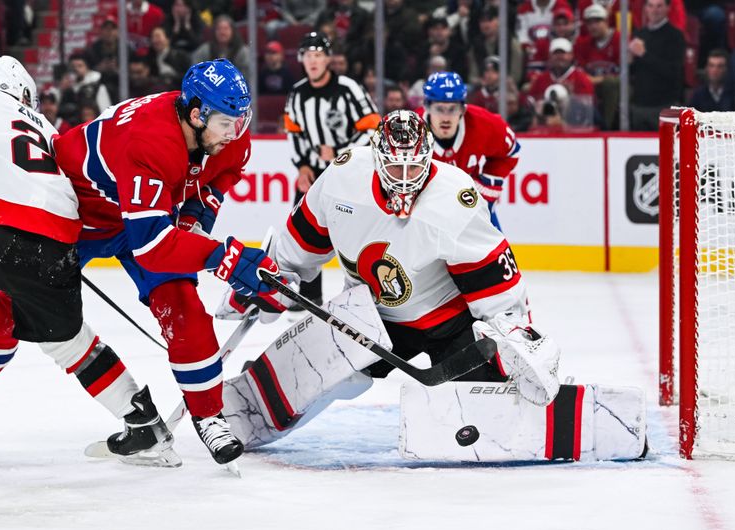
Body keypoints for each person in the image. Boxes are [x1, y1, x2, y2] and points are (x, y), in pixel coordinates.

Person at [0, 59, 281, 466]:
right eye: (227, 122)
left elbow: (217, 181)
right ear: (196, 115)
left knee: (183, 308)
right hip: (79, 214)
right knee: (14, 305)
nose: (236, 132)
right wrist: (223, 257)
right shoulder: (150, 139)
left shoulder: (229, 137)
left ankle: (209, 415)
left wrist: (196, 220)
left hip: (143, 215)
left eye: (241, 120)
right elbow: (154, 248)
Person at [217, 111, 564, 453]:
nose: (404, 179)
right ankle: (250, 407)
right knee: (315, 375)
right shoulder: (342, 179)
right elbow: (299, 245)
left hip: (451, 322)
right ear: (376, 158)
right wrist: (269, 280)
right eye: (395, 168)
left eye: (413, 167)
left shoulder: (455, 197)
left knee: (487, 407)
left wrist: (513, 335)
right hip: (369, 315)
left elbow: (495, 283)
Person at [0, 56, 174, 463]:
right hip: (55, 239)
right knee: (67, 342)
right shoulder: (50, 132)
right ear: (27, 94)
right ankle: (143, 422)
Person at [284, 31, 379, 309]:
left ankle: (363, 297)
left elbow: (373, 126)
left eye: (318, 55)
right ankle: (308, 296)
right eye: (308, 56)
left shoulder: (348, 88)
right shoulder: (298, 94)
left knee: (358, 235)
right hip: (315, 175)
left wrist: (340, 153)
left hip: (352, 173)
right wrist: (302, 166)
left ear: (328, 59)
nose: (313, 61)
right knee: (304, 235)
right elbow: (294, 134)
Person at [416, 71, 519, 231]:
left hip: (471, 205)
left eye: (452, 109)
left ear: (463, 109)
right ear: (427, 107)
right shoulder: (410, 131)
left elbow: (511, 151)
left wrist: (488, 183)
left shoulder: (483, 124)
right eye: (439, 109)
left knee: (496, 254)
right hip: (423, 212)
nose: (445, 117)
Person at [629, 0, 685, 131]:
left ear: (668, 8)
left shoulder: (675, 36)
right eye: (651, 6)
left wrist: (644, 54)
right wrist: (629, 61)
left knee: (668, 149)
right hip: (640, 105)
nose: (655, 10)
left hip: (664, 105)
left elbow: (673, 72)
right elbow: (634, 71)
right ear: (645, 9)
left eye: (659, 6)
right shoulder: (639, 34)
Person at [687, 49, 732, 113]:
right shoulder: (698, 94)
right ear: (706, 68)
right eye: (711, 65)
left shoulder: (733, 94)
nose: (715, 70)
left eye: (720, 66)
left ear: (726, 69)